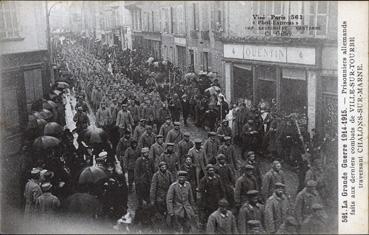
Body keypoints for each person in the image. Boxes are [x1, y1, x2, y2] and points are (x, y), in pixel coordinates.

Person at [198, 164, 225, 231]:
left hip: (217, 199)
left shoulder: (218, 177)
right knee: (210, 215)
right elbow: (201, 190)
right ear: (207, 171)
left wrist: (223, 198)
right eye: (210, 170)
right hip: (208, 201)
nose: (212, 171)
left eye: (213, 170)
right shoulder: (204, 180)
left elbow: (222, 188)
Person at [150, 161, 173, 230]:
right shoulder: (156, 175)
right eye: (162, 167)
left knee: (168, 211)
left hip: (168, 195)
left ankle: (167, 225)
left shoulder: (169, 174)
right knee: (160, 212)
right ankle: (160, 226)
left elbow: (172, 185)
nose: (164, 168)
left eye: (165, 167)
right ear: (159, 168)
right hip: (159, 196)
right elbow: (153, 188)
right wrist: (152, 200)